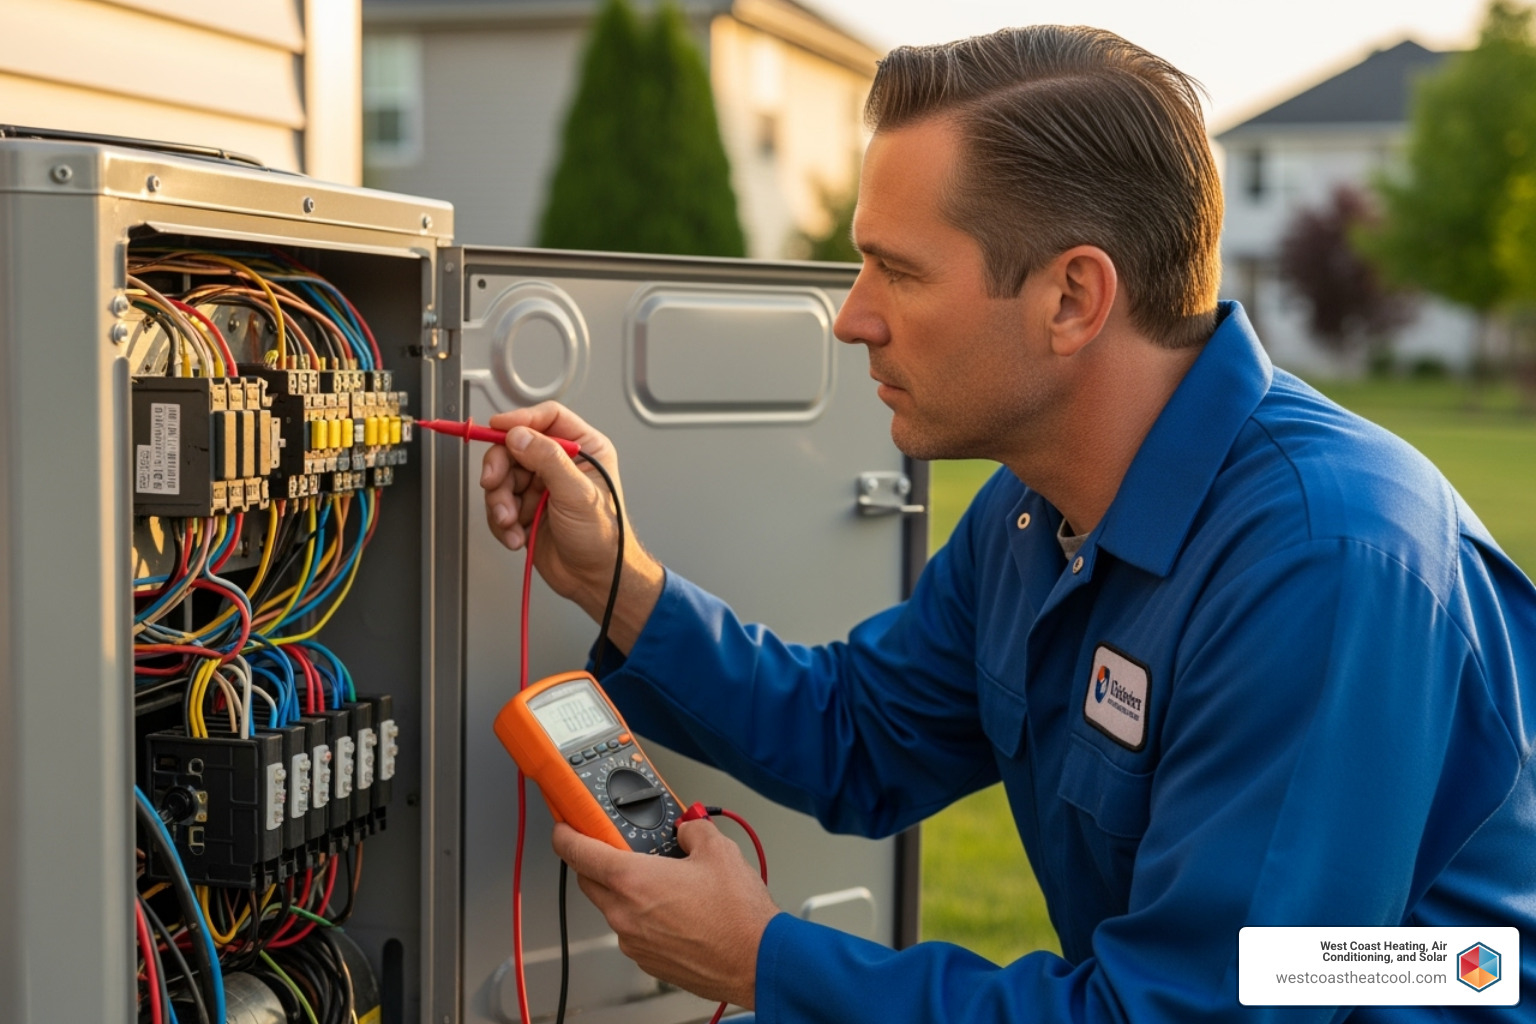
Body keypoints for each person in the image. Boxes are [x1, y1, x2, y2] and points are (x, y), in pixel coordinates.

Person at [478, 25, 1536, 1024]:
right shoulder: (1037, 511)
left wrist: (770, 960)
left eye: (898, 268)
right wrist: (615, 576)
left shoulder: (1327, 563)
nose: (852, 316)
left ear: (1073, 298)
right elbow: (859, 734)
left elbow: (1189, 1007)